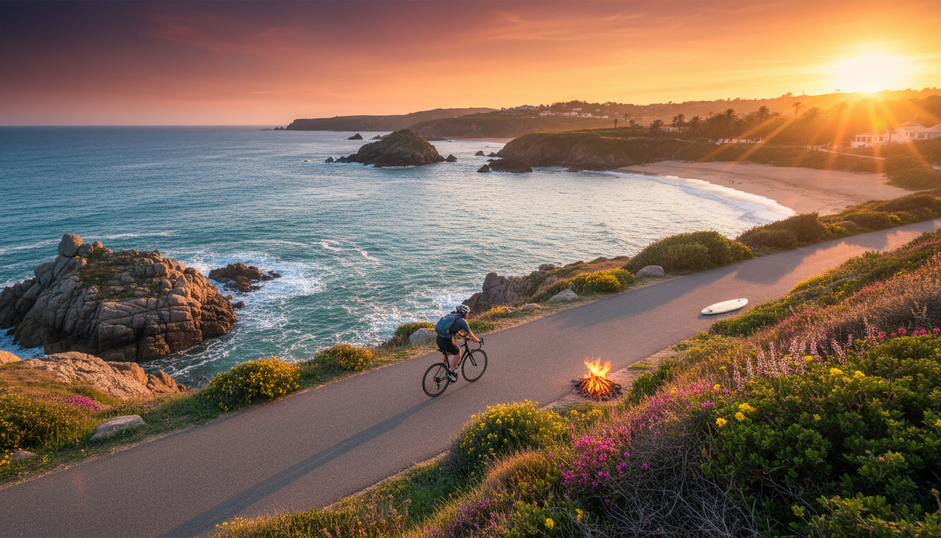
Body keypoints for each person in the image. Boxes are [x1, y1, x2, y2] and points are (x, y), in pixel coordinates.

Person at [436, 304, 482, 382]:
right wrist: (477, 340)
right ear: (463, 313)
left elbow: (453, 329)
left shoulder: (451, 316)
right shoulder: (462, 321)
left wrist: (462, 335)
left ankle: (443, 365)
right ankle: (449, 372)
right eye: (467, 313)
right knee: (458, 353)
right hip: (446, 341)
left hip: (439, 339)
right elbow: (470, 334)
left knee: (446, 351)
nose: (467, 315)